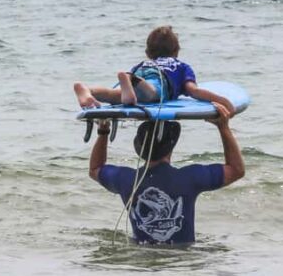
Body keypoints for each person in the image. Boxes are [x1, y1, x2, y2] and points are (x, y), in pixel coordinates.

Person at [89, 102, 244, 245]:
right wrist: (223, 128)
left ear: (139, 147)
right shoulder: (190, 178)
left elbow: (95, 169)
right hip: (182, 261)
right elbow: (236, 170)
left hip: (142, 262)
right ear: (171, 146)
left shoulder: (125, 179)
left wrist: (103, 131)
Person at [73, 25, 235, 113]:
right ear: (176, 51)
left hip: (139, 72)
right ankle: (131, 80)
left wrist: (131, 79)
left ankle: (88, 91)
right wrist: (222, 100)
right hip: (155, 80)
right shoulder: (180, 66)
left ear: (148, 53)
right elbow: (193, 91)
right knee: (152, 92)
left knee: (114, 94)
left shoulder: (145, 63)